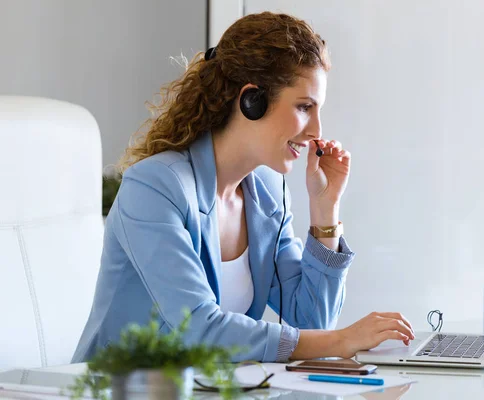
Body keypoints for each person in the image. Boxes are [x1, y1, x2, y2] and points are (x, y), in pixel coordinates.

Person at [72, 11, 414, 363]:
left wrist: (325, 209)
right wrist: (340, 341)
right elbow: (199, 330)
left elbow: (313, 320)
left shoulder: (267, 194)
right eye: (304, 107)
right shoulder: (155, 187)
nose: (316, 130)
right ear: (252, 101)